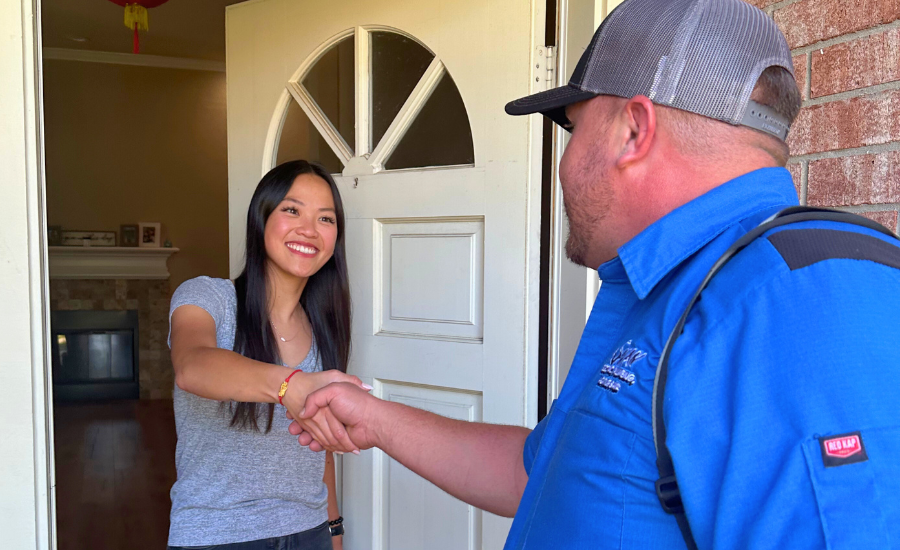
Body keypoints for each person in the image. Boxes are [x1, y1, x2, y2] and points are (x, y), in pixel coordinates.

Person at [289, 0, 900, 548]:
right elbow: (550, 471)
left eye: (574, 129)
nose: (563, 162)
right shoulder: (678, 281)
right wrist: (372, 417)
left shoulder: (801, 307)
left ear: (633, 130)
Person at [167, 160, 368, 550]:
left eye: (325, 219)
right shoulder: (208, 298)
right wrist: (288, 385)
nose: (309, 229)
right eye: (292, 210)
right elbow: (192, 367)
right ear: (261, 220)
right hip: (219, 535)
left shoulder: (324, 324)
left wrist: (334, 528)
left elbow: (318, 443)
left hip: (309, 531)